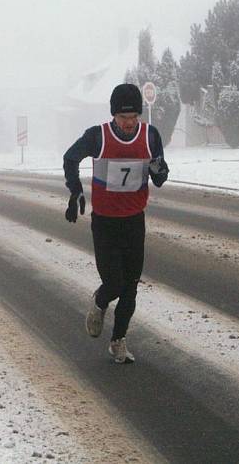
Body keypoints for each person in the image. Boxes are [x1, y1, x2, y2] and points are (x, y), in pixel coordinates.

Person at [63, 83, 169, 364]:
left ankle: (118, 341)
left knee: (131, 286)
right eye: (123, 118)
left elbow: (160, 176)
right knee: (114, 283)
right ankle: (99, 302)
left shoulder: (150, 135)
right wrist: (75, 190)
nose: (129, 123)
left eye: (134, 117)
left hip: (134, 221)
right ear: (113, 116)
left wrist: (157, 167)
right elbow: (70, 158)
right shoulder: (98, 136)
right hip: (105, 223)